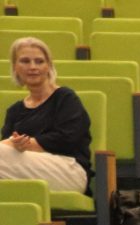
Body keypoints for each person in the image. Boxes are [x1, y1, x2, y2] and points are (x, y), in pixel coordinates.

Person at [0, 37, 89, 193]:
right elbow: (8, 153)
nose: (33, 67)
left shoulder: (65, 97)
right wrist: (14, 144)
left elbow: (68, 139)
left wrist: (26, 144)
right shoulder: (14, 110)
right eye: (25, 61)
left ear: (49, 66)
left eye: (39, 61)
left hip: (68, 171)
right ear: (15, 67)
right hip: (23, 172)